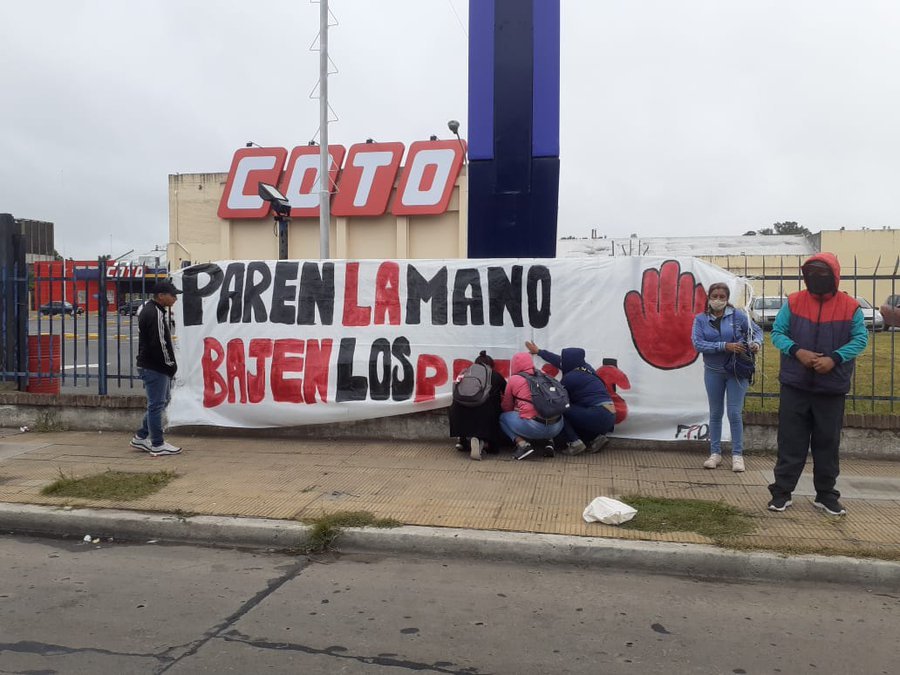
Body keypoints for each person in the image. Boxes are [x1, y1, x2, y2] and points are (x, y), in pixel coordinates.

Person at [767, 254, 867, 515]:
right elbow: (777, 333)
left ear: (834, 276)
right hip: (795, 384)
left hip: (831, 388)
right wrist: (797, 351)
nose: (816, 278)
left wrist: (835, 358)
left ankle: (825, 495)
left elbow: (860, 339)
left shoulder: (850, 307)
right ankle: (781, 492)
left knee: (827, 443)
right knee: (790, 441)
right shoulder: (793, 302)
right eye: (811, 273)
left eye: (822, 273)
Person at [691, 282, 762, 472]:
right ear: (708, 298)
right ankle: (715, 453)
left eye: (722, 297)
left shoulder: (738, 316)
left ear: (727, 298)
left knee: (734, 413)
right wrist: (724, 346)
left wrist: (756, 343)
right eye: (714, 296)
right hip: (713, 371)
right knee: (715, 413)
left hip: (736, 371)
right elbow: (698, 343)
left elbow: (756, 331)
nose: (718, 300)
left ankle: (737, 455)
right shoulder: (700, 319)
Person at [524, 341, 615, 455]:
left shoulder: (571, 378)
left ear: (570, 362)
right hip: (609, 415)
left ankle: (574, 442)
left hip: (597, 415)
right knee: (575, 412)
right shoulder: (587, 368)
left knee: (558, 409)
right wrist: (539, 352)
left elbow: (557, 399)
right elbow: (560, 361)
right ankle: (596, 438)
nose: (562, 362)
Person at [131, 280, 183, 457]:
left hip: (151, 365)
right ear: (161, 296)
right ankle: (157, 444)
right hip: (155, 367)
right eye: (173, 295)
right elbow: (160, 344)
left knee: (161, 402)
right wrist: (171, 365)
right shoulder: (155, 313)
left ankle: (141, 436)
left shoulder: (151, 310)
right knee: (156, 405)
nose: (175, 298)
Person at [500, 352, 565, 460]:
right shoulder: (544, 375)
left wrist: (519, 410)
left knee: (502, 418)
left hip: (534, 428)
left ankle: (523, 445)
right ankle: (549, 443)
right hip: (557, 427)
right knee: (549, 411)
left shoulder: (514, 379)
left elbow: (507, 407)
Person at [449, 351, 507, 460]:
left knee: (461, 408)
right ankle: (483, 442)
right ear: (491, 365)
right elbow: (506, 393)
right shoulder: (494, 374)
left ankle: (462, 440)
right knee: (492, 407)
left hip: (458, 412)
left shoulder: (464, 373)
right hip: (484, 414)